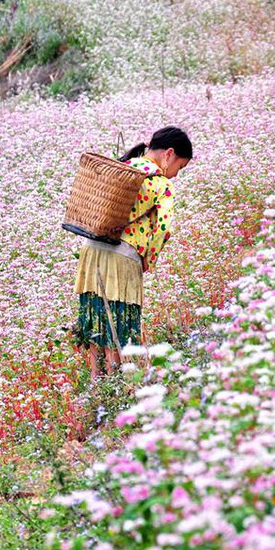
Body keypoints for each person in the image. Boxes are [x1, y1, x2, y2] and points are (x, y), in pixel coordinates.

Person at [74, 126, 193, 378]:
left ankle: (97, 384)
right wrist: (148, 259)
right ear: (169, 154)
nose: (176, 175)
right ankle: (121, 386)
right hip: (123, 255)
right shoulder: (160, 183)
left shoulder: (121, 167)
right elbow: (163, 228)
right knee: (120, 320)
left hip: (91, 249)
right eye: (179, 168)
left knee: (96, 316)